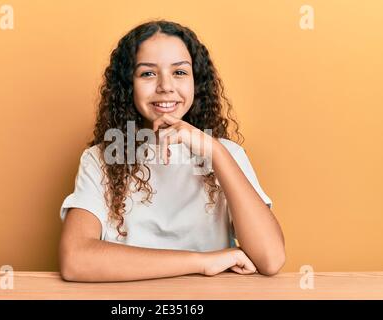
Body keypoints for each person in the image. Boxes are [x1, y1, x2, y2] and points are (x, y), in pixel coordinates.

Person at [59, 20, 285, 282]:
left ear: (196, 82)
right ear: (127, 85)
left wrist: (216, 151)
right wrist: (203, 262)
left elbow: (271, 258)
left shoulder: (226, 154)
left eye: (179, 72)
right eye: (147, 73)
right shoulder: (100, 160)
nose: (165, 86)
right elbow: (76, 260)